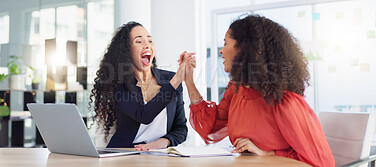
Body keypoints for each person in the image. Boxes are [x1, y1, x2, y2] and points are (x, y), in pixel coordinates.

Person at [181, 15, 334, 166]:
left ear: (245, 49)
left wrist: (268, 154)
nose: (221, 51)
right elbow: (210, 127)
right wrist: (189, 81)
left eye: (226, 43)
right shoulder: (237, 90)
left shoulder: (285, 101)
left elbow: (322, 161)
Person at [90, 21, 188, 151]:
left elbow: (181, 128)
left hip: (160, 154)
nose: (147, 45)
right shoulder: (118, 84)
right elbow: (143, 115)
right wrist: (175, 82)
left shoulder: (169, 79)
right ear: (126, 50)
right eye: (139, 41)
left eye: (150, 41)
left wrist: (165, 141)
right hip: (125, 154)